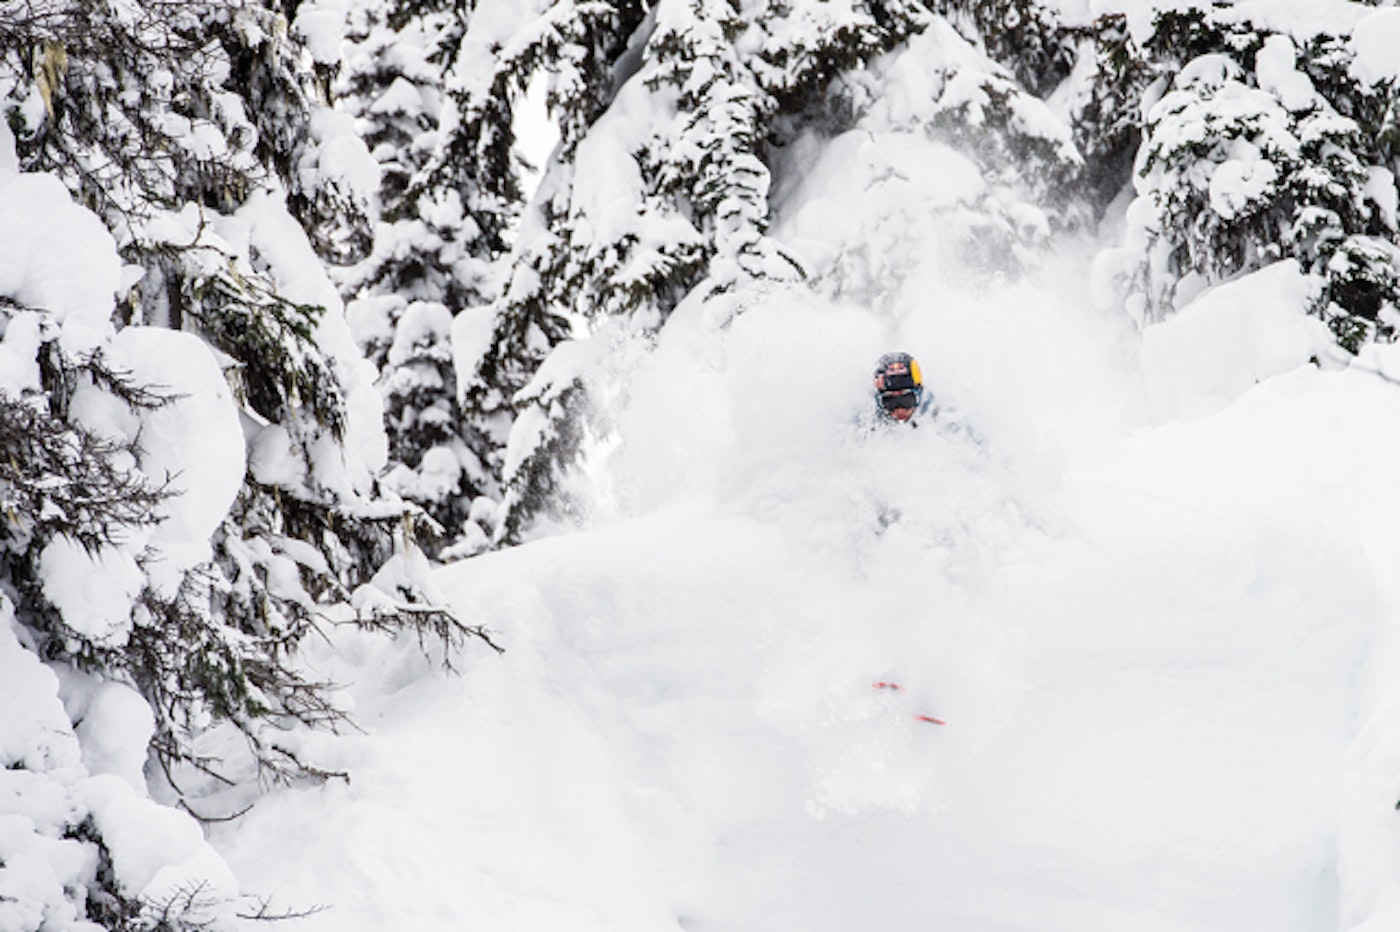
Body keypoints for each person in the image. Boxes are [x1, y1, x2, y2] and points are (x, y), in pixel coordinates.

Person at [872, 351, 925, 423]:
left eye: (906, 400)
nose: (900, 411)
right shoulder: (866, 424)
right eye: (890, 402)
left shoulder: (937, 418)